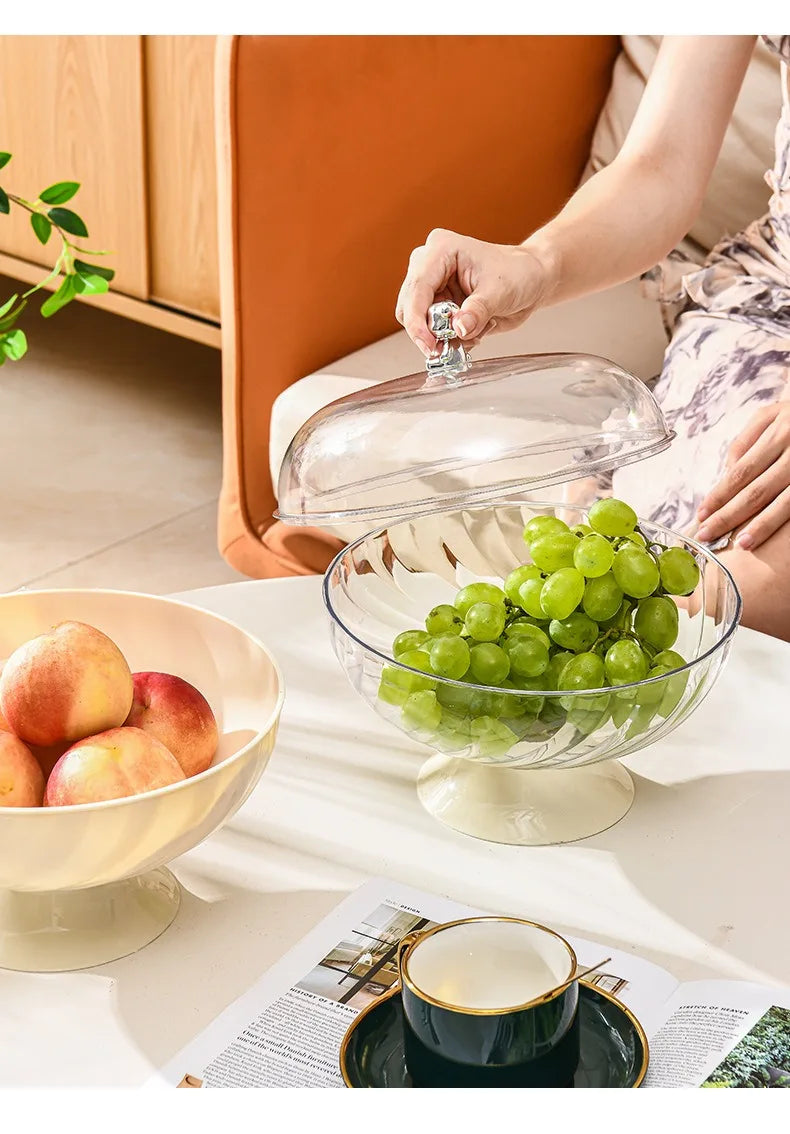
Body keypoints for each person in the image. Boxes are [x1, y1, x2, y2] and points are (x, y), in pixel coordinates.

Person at [395, 35, 790, 640]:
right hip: (767, 308)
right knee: (636, 572)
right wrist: (536, 263)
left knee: (732, 603)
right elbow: (661, 164)